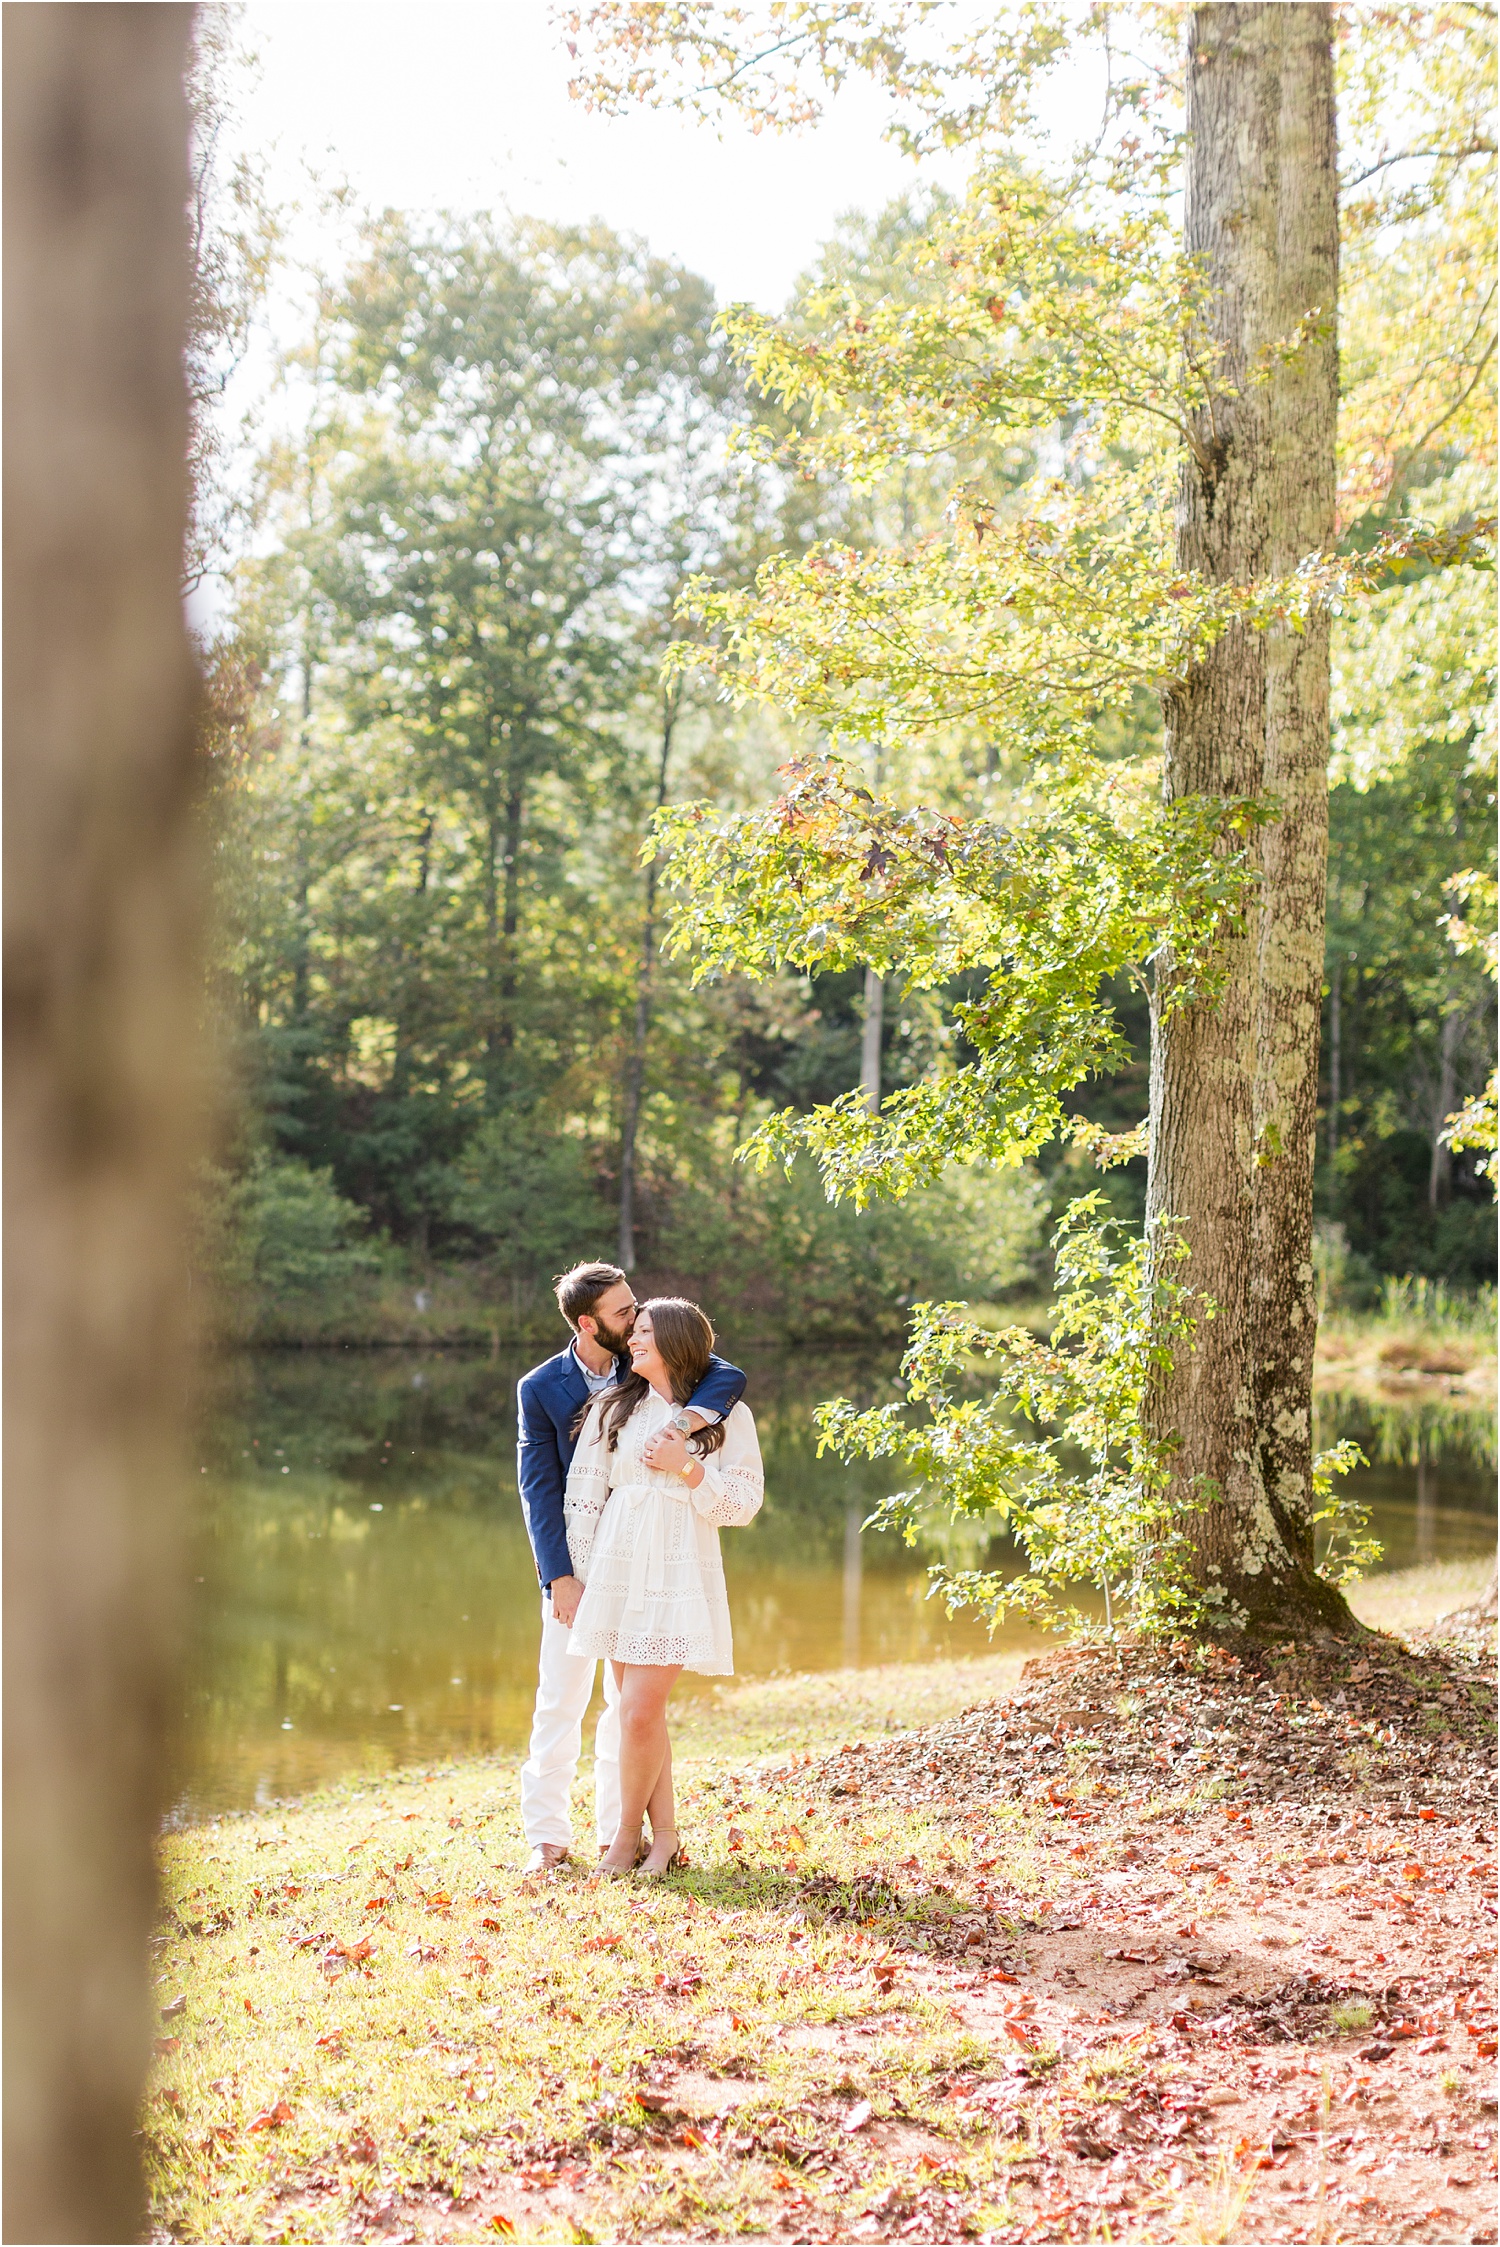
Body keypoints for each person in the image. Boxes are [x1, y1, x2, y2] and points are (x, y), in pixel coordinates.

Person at [515, 1263, 746, 1874]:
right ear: (591, 1324)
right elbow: (547, 1492)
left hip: (668, 1564)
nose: (634, 1320)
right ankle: (547, 1837)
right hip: (583, 1563)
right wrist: (562, 1579)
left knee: (634, 1708)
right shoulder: (544, 1387)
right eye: (625, 1314)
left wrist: (689, 1438)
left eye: (640, 1313)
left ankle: (621, 1835)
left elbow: (723, 1372)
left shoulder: (657, 1376)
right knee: (560, 1699)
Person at [564, 1297, 764, 1877]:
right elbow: (583, 1498)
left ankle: (626, 1839)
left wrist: (688, 1466)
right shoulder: (613, 1408)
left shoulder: (729, 1417)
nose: (634, 1340)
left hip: (678, 1572)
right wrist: (575, 1582)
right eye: (636, 1330)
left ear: (676, 1341)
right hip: (618, 1571)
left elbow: (744, 1505)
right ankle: (666, 1838)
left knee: (640, 1711)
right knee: (636, 1714)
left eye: (646, 1331)